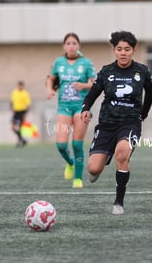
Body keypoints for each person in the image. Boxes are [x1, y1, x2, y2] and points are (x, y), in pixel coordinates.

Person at [81, 31, 152, 215]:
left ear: (133, 50)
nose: (123, 53)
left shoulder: (142, 71)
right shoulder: (106, 71)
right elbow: (93, 94)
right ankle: (104, 156)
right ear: (114, 50)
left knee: (122, 154)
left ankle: (118, 202)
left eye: (127, 49)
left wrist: (143, 114)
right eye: (119, 49)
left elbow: (150, 93)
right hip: (106, 124)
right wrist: (85, 109)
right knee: (93, 168)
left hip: (130, 123)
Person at [46, 33, 96, 189]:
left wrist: (84, 86)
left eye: (74, 43)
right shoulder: (59, 62)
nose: (71, 46)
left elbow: (94, 83)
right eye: (68, 43)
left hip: (81, 107)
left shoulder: (86, 63)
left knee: (76, 143)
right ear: (64, 46)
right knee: (61, 145)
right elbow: (51, 79)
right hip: (64, 107)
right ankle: (70, 163)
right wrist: (49, 90)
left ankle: (78, 178)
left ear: (79, 45)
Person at [11, 81, 31, 147]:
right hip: (16, 112)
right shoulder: (14, 92)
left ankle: (19, 141)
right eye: (19, 86)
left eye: (21, 86)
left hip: (22, 112)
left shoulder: (25, 93)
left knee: (19, 128)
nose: (20, 87)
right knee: (13, 128)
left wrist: (25, 114)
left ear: (23, 86)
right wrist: (12, 108)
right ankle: (22, 140)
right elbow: (12, 101)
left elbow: (28, 104)